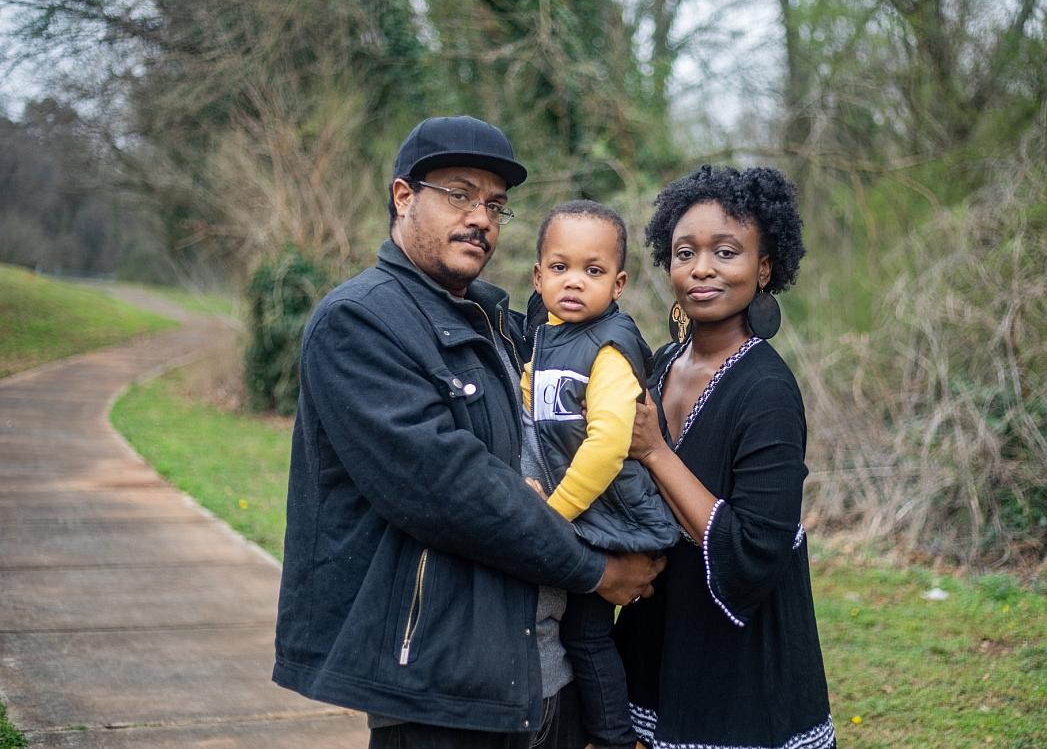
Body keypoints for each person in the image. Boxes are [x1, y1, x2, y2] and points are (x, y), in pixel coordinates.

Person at [272, 115, 665, 749]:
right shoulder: (360, 323)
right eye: (459, 194)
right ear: (404, 197)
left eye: (495, 204)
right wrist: (594, 570)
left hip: (545, 680)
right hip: (443, 693)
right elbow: (450, 487)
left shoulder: (495, 320)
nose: (481, 217)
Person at [613, 165, 835, 749]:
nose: (702, 268)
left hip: (737, 665)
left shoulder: (766, 390)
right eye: (686, 252)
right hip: (658, 641)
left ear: (764, 267)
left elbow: (759, 547)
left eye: (726, 251)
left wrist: (657, 452)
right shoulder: (660, 363)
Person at [521, 200, 680, 749]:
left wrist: (554, 515)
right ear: (538, 276)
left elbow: (608, 444)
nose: (574, 282)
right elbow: (530, 411)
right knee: (572, 630)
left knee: (587, 634)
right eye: (560, 268)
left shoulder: (609, 346)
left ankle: (614, 739)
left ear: (619, 283)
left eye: (593, 271)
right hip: (582, 508)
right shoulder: (544, 340)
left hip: (609, 511)